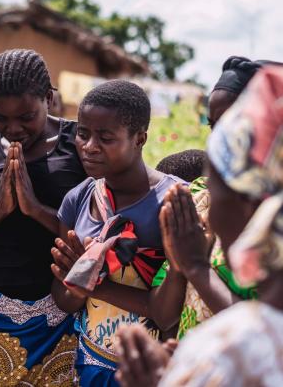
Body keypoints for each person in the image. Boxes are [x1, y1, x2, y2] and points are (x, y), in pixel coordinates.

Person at [117, 65, 283, 387]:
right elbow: (164, 313)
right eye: (213, 125)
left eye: (217, 187)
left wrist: (196, 266)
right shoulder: (193, 200)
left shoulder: (234, 350)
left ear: (248, 201)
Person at [0, 49, 86, 386]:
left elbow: (93, 238)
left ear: (49, 98)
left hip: (61, 312)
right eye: (1, 117)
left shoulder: (79, 145)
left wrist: (34, 208)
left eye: (26, 116)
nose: (13, 129)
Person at [50, 80, 183, 386]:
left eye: (105, 137)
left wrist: (91, 283)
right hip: (90, 364)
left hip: (150, 372)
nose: (89, 146)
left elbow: (167, 314)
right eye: (83, 133)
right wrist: (75, 282)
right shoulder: (78, 199)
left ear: (140, 138)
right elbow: (63, 298)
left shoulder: (172, 203)